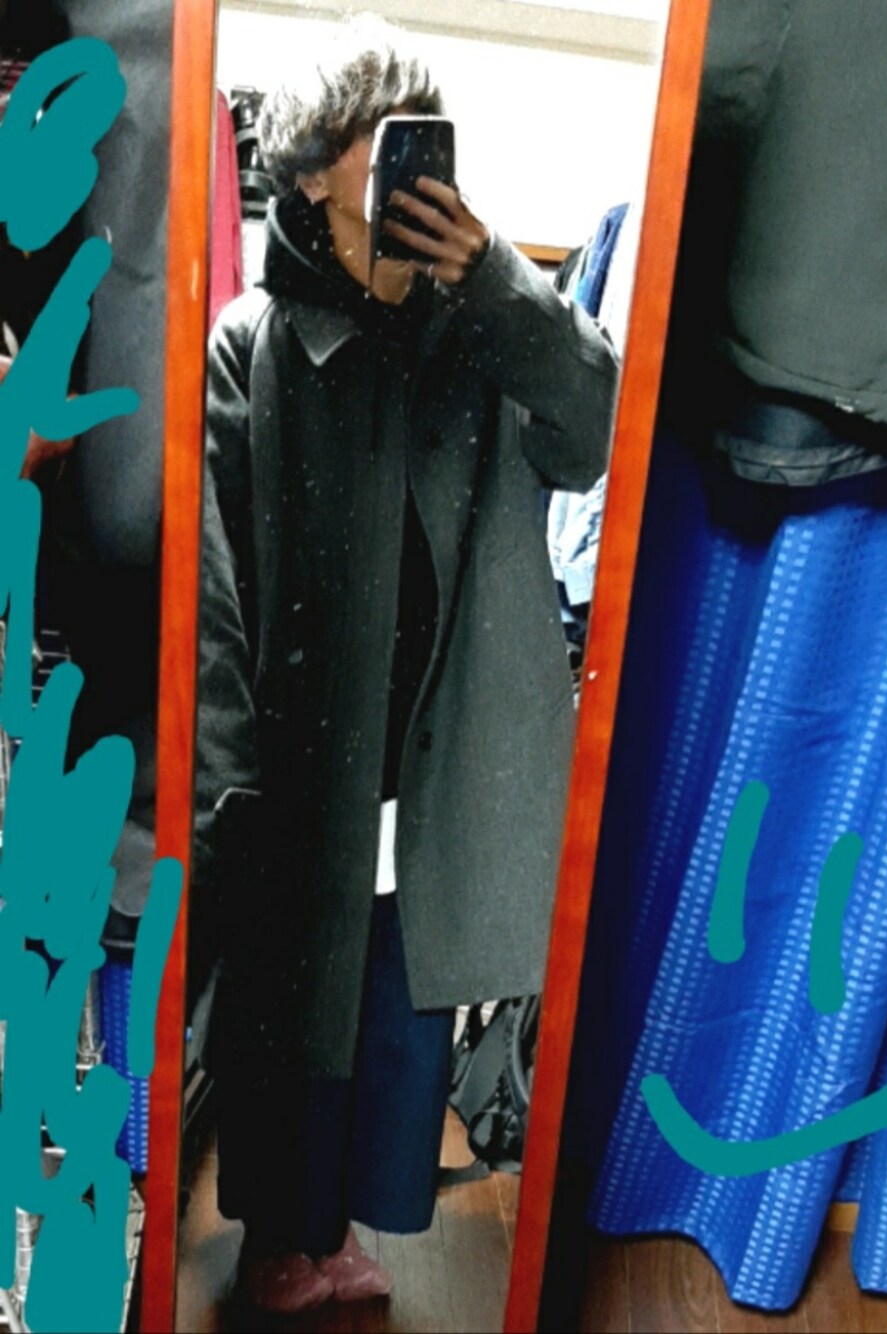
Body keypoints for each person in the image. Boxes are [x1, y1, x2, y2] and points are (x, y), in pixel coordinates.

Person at [197, 13, 618, 1315]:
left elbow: (594, 428)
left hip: (431, 752)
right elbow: (217, 583)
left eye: (418, 139)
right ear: (312, 172)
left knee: (396, 1007)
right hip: (299, 763)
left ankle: (338, 1229)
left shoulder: (476, 324)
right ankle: (282, 1237)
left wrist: (498, 279)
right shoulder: (254, 339)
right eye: (378, 142)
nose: (403, 162)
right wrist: (226, 786)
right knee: (293, 1021)